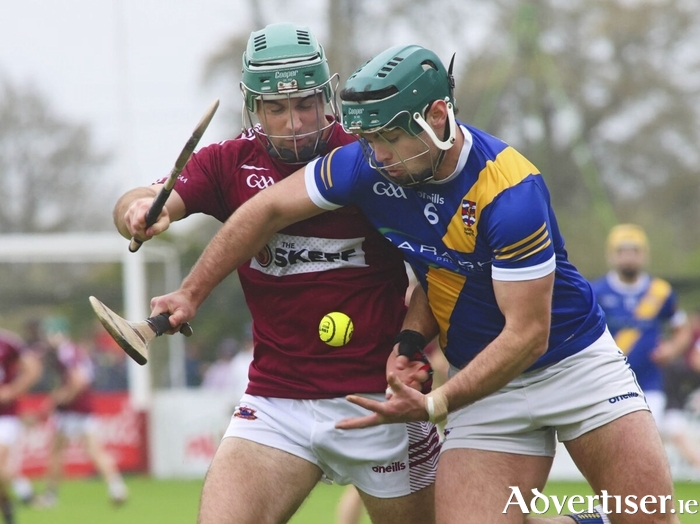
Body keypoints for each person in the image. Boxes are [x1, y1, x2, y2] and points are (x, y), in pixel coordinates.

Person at [148, 44, 681, 524]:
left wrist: (436, 403)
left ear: (437, 117)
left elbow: (527, 336)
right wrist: (192, 291)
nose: (376, 156)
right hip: (484, 384)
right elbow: (264, 211)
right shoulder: (367, 166)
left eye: (389, 139)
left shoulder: (511, 192)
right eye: (369, 140)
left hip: (572, 367)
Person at [113, 23, 439, 524]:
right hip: (276, 401)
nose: (294, 122)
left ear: (327, 95)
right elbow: (139, 200)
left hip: (379, 398)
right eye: (276, 108)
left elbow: (434, 271)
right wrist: (139, 212)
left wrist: (413, 347)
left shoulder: (373, 154)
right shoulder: (229, 162)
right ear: (254, 107)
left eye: (306, 104)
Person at [591, 225, 695, 466]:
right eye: (622, 251)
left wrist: (672, 349)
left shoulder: (660, 292)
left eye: (634, 251)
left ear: (644, 254)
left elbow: (682, 329)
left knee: (646, 435)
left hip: (650, 381)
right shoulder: (595, 291)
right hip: (608, 379)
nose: (628, 257)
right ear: (612, 255)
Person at [33, 318, 127, 508]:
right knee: (92, 451)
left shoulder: (67, 353)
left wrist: (58, 400)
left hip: (73, 410)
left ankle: (50, 496)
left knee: (57, 452)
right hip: (83, 408)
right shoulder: (73, 351)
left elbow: (78, 380)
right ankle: (117, 488)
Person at [0, 327, 43, 523]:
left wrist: (12, 391)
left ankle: (9, 503)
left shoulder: (8, 342)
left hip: (5, 416)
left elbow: (33, 369)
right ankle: (10, 500)